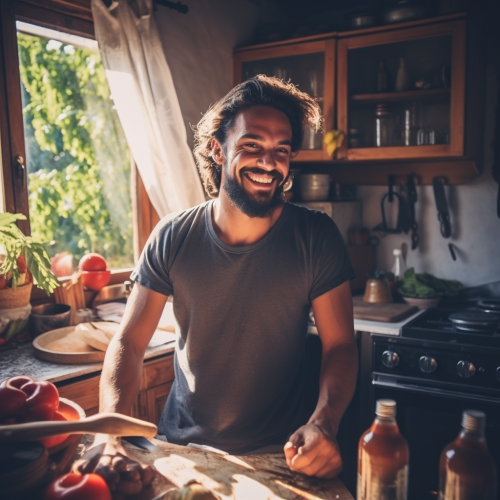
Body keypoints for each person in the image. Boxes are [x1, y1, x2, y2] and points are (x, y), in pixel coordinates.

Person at [83, 75, 357, 490]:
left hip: (280, 453)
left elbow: (340, 346)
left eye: (281, 150)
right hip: (179, 450)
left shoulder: (316, 237)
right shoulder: (172, 235)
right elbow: (130, 343)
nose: (269, 162)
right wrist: (108, 437)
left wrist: (325, 423)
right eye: (252, 145)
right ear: (217, 148)